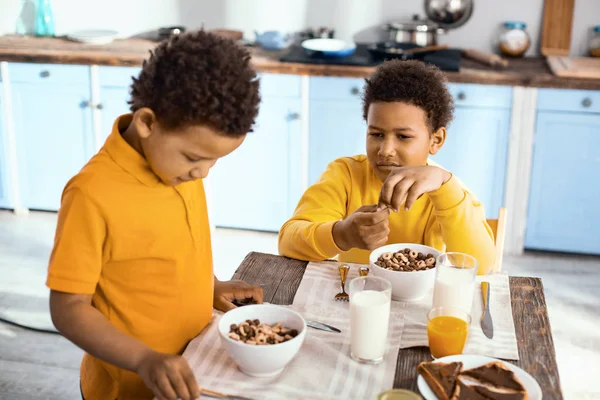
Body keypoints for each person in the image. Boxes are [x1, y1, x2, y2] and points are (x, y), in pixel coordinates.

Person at [46, 30, 263, 400]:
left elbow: (171, 247)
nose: (204, 172)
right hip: (130, 386)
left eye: (215, 160)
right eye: (196, 158)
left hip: (193, 371)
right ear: (147, 122)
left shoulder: (174, 164)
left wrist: (210, 286)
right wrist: (144, 359)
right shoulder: (92, 194)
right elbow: (68, 308)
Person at [278, 60, 495, 274]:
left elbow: (481, 267)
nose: (385, 150)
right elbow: (288, 240)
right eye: (376, 134)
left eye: (403, 136)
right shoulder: (345, 174)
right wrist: (342, 235)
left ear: (436, 140)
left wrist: (445, 187)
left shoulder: (449, 193)